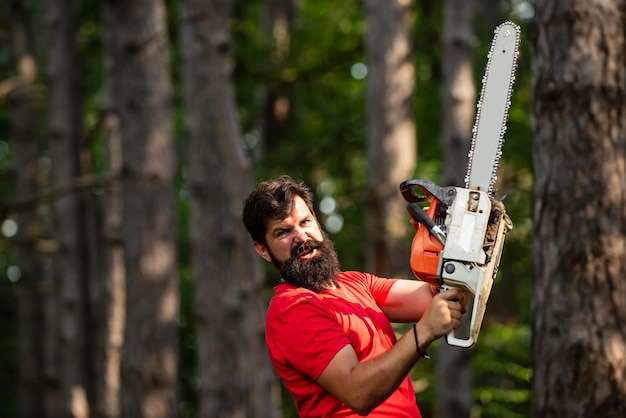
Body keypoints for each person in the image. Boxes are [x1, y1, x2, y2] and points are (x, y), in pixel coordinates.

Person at [242, 175, 467, 417]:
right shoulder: (293, 309)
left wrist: (452, 241)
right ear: (263, 250)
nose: (301, 237)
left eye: (305, 222)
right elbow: (357, 394)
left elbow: (445, 294)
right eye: (283, 232)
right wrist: (423, 332)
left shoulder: (355, 283)